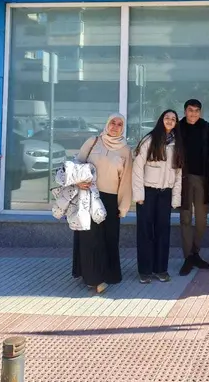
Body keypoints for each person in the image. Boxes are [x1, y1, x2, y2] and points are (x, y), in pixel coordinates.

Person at [72, 113, 133, 294]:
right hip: (89, 195)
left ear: (123, 128)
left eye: (119, 124)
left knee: (108, 239)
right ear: (107, 124)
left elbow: (126, 180)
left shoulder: (125, 150)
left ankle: (109, 274)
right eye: (112, 123)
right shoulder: (93, 141)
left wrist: (122, 207)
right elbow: (77, 163)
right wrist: (77, 182)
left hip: (110, 199)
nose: (115, 126)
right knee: (90, 238)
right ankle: (93, 278)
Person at [132, 109, 183, 284]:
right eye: (167, 118)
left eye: (173, 119)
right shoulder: (149, 140)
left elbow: (178, 174)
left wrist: (176, 198)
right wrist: (138, 194)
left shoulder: (177, 144)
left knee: (163, 231)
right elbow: (137, 169)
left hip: (165, 193)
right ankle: (145, 271)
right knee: (145, 232)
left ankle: (160, 269)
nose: (170, 121)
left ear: (176, 123)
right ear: (161, 120)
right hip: (148, 192)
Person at [178, 99, 209, 276]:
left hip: (202, 178)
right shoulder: (177, 128)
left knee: (201, 220)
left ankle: (195, 252)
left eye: (197, 110)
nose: (193, 114)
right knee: (185, 218)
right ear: (185, 111)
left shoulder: (206, 128)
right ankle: (187, 257)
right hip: (183, 179)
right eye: (190, 110)